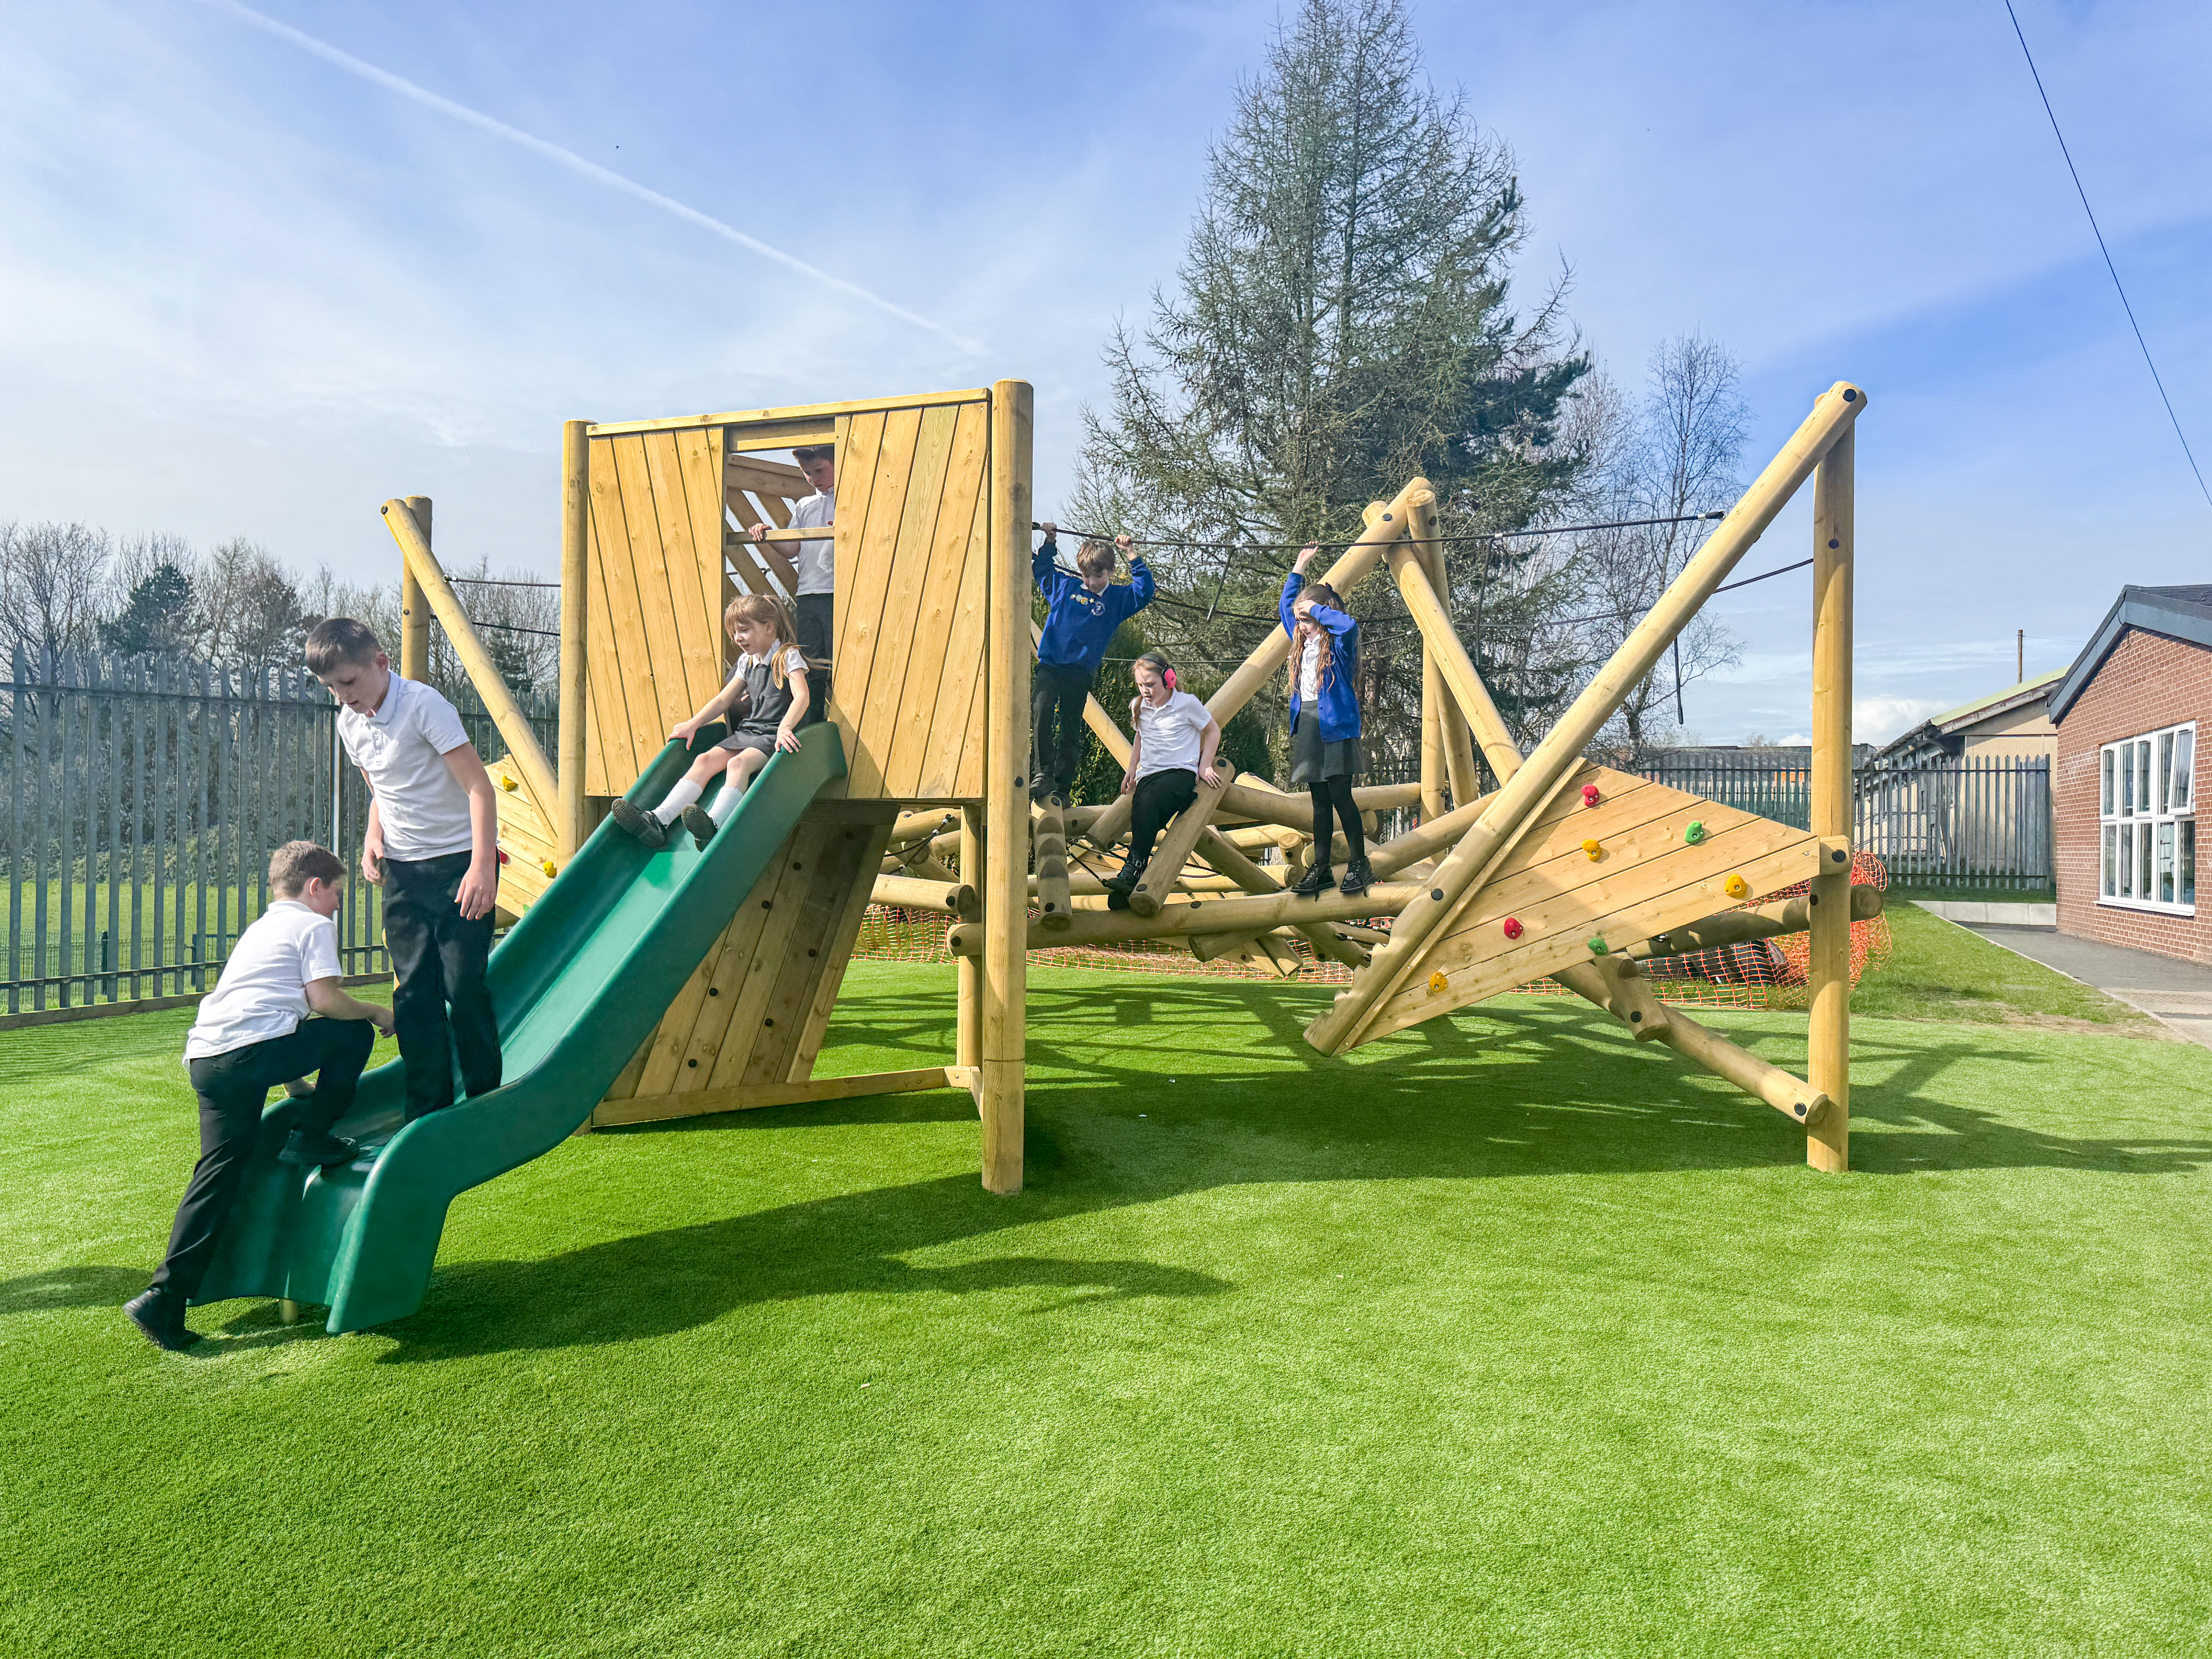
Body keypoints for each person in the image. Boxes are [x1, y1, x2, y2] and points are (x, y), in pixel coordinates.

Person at [124, 841, 395, 1352]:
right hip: (248, 1058)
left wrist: (296, 1088)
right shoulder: (313, 925)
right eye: (337, 893)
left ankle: (164, 1297)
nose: (339, 904)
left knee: (217, 1177)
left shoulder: (263, 929)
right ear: (315, 887)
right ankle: (314, 1137)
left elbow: (269, 1013)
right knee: (353, 1030)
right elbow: (323, 1001)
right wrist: (376, 1012)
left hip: (209, 1062)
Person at [305, 617, 503, 1125]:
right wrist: (373, 837)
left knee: (462, 986)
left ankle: (485, 1097)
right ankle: (426, 1109)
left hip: (461, 865)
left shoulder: (423, 706)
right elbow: (383, 793)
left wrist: (482, 867)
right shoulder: (349, 723)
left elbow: (480, 789)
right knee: (413, 992)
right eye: (331, 688)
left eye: (348, 682)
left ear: (380, 663)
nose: (342, 696)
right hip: (403, 874)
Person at [609, 593, 811, 850]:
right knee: (703, 760)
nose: (738, 638)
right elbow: (723, 700)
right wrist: (693, 724)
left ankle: (714, 824)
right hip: (748, 732)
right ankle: (658, 820)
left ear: (769, 627)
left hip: (773, 736)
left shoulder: (787, 656)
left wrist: (786, 727)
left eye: (744, 631)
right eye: (734, 633)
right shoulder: (747, 663)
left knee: (738, 764)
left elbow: (802, 696)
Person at [1032, 521, 1154, 805]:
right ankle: (1043, 774)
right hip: (1051, 666)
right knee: (1041, 709)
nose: (1090, 582)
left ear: (1110, 572)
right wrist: (1050, 543)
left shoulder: (1117, 600)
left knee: (1070, 729)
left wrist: (1132, 554)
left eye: (1096, 577)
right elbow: (1042, 571)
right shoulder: (1066, 587)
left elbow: (1145, 591)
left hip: (1079, 673)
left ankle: (1062, 790)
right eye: (1086, 576)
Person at [1282, 545, 1372, 898]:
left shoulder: (1338, 644)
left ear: (1322, 616)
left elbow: (1348, 624)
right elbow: (1285, 606)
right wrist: (1300, 567)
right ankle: (1320, 868)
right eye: (1300, 620)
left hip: (1335, 724)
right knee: (1319, 800)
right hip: (1308, 721)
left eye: (1307, 620)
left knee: (1340, 794)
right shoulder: (1301, 641)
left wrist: (1317, 609)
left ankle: (1358, 863)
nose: (1302, 626)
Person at [1104, 651, 1221, 908]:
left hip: (1179, 774)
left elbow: (1213, 730)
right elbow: (1140, 737)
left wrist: (1204, 766)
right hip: (1149, 776)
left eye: (1151, 685)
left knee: (1148, 801)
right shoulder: (1139, 707)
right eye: (1140, 685)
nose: (1146, 691)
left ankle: (1134, 866)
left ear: (1168, 679)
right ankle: (1132, 884)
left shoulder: (1187, 703)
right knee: (1141, 808)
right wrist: (1131, 769)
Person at [749, 444, 834, 726]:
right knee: (811, 663)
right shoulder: (806, 505)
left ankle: (844, 724)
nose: (814, 479)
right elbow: (793, 549)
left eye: (819, 471)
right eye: (808, 474)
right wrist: (769, 535)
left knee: (840, 662)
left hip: (838, 592)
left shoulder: (851, 500)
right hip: (809, 592)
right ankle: (813, 725)